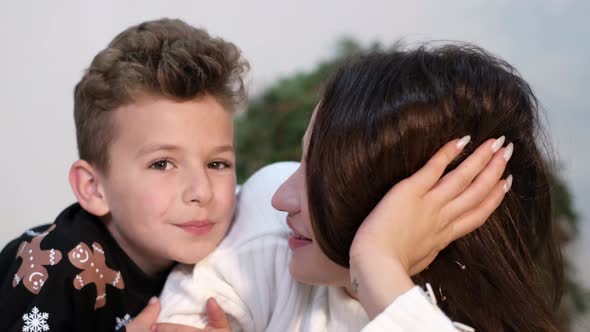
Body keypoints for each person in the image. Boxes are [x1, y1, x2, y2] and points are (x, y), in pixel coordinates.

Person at [158, 43, 563, 331]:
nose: (282, 198)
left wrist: (377, 263)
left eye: (322, 175)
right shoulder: (266, 225)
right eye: (303, 159)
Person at [0, 18, 248, 331]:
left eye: (217, 164)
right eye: (162, 164)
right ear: (93, 188)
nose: (201, 191)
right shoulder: (54, 264)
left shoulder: (234, 248)